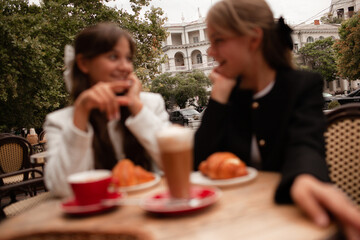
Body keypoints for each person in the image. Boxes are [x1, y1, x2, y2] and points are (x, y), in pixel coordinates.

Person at [194, 0, 360, 238]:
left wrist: (304, 177)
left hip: (291, 218)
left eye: (218, 40)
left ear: (253, 39)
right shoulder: (228, 93)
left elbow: (306, 145)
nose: (210, 52)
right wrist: (218, 98)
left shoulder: (302, 86)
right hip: (233, 222)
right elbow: (198, 163)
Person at [44, 23, 170, 197]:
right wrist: (81, 114)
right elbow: (62, 189)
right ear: (83, 63)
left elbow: (173, 164)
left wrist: (137, 109)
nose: (126, 67)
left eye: (128, 58)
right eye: (113, 57)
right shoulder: (59, 121)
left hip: (151, 210)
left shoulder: (150, 105)